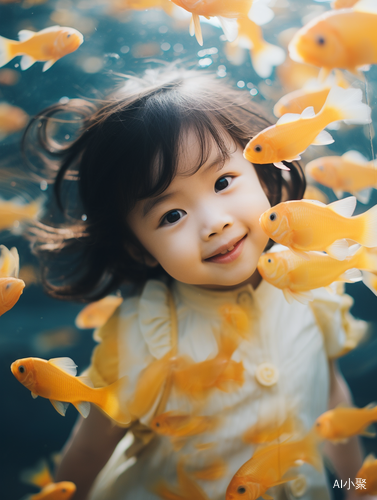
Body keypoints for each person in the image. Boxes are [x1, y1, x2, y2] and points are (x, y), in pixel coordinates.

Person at [23, 66, 373, 500]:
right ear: (139, 248)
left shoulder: (315, 281)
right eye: (171, 215)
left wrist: (360, 486)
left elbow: (330, 394)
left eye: (223, 182)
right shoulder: (141, 336)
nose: (213, 223)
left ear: (264, 171)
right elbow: (90, 448)